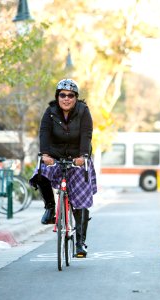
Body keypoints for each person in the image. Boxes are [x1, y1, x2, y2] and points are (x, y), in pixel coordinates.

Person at [29, 78, 97, 257]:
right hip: (55, 156)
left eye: (71, 95)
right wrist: (45, 154)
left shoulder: (83, 111)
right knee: (40, 173)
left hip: (77, 157)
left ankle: (80, 243)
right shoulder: (50, 112)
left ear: (76, 98)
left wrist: (83, 156)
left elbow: (86, 134)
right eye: (62, 95)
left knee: (81, 198)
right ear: (57, 96)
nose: (66, 98)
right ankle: (50, 208)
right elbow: (44, 133)